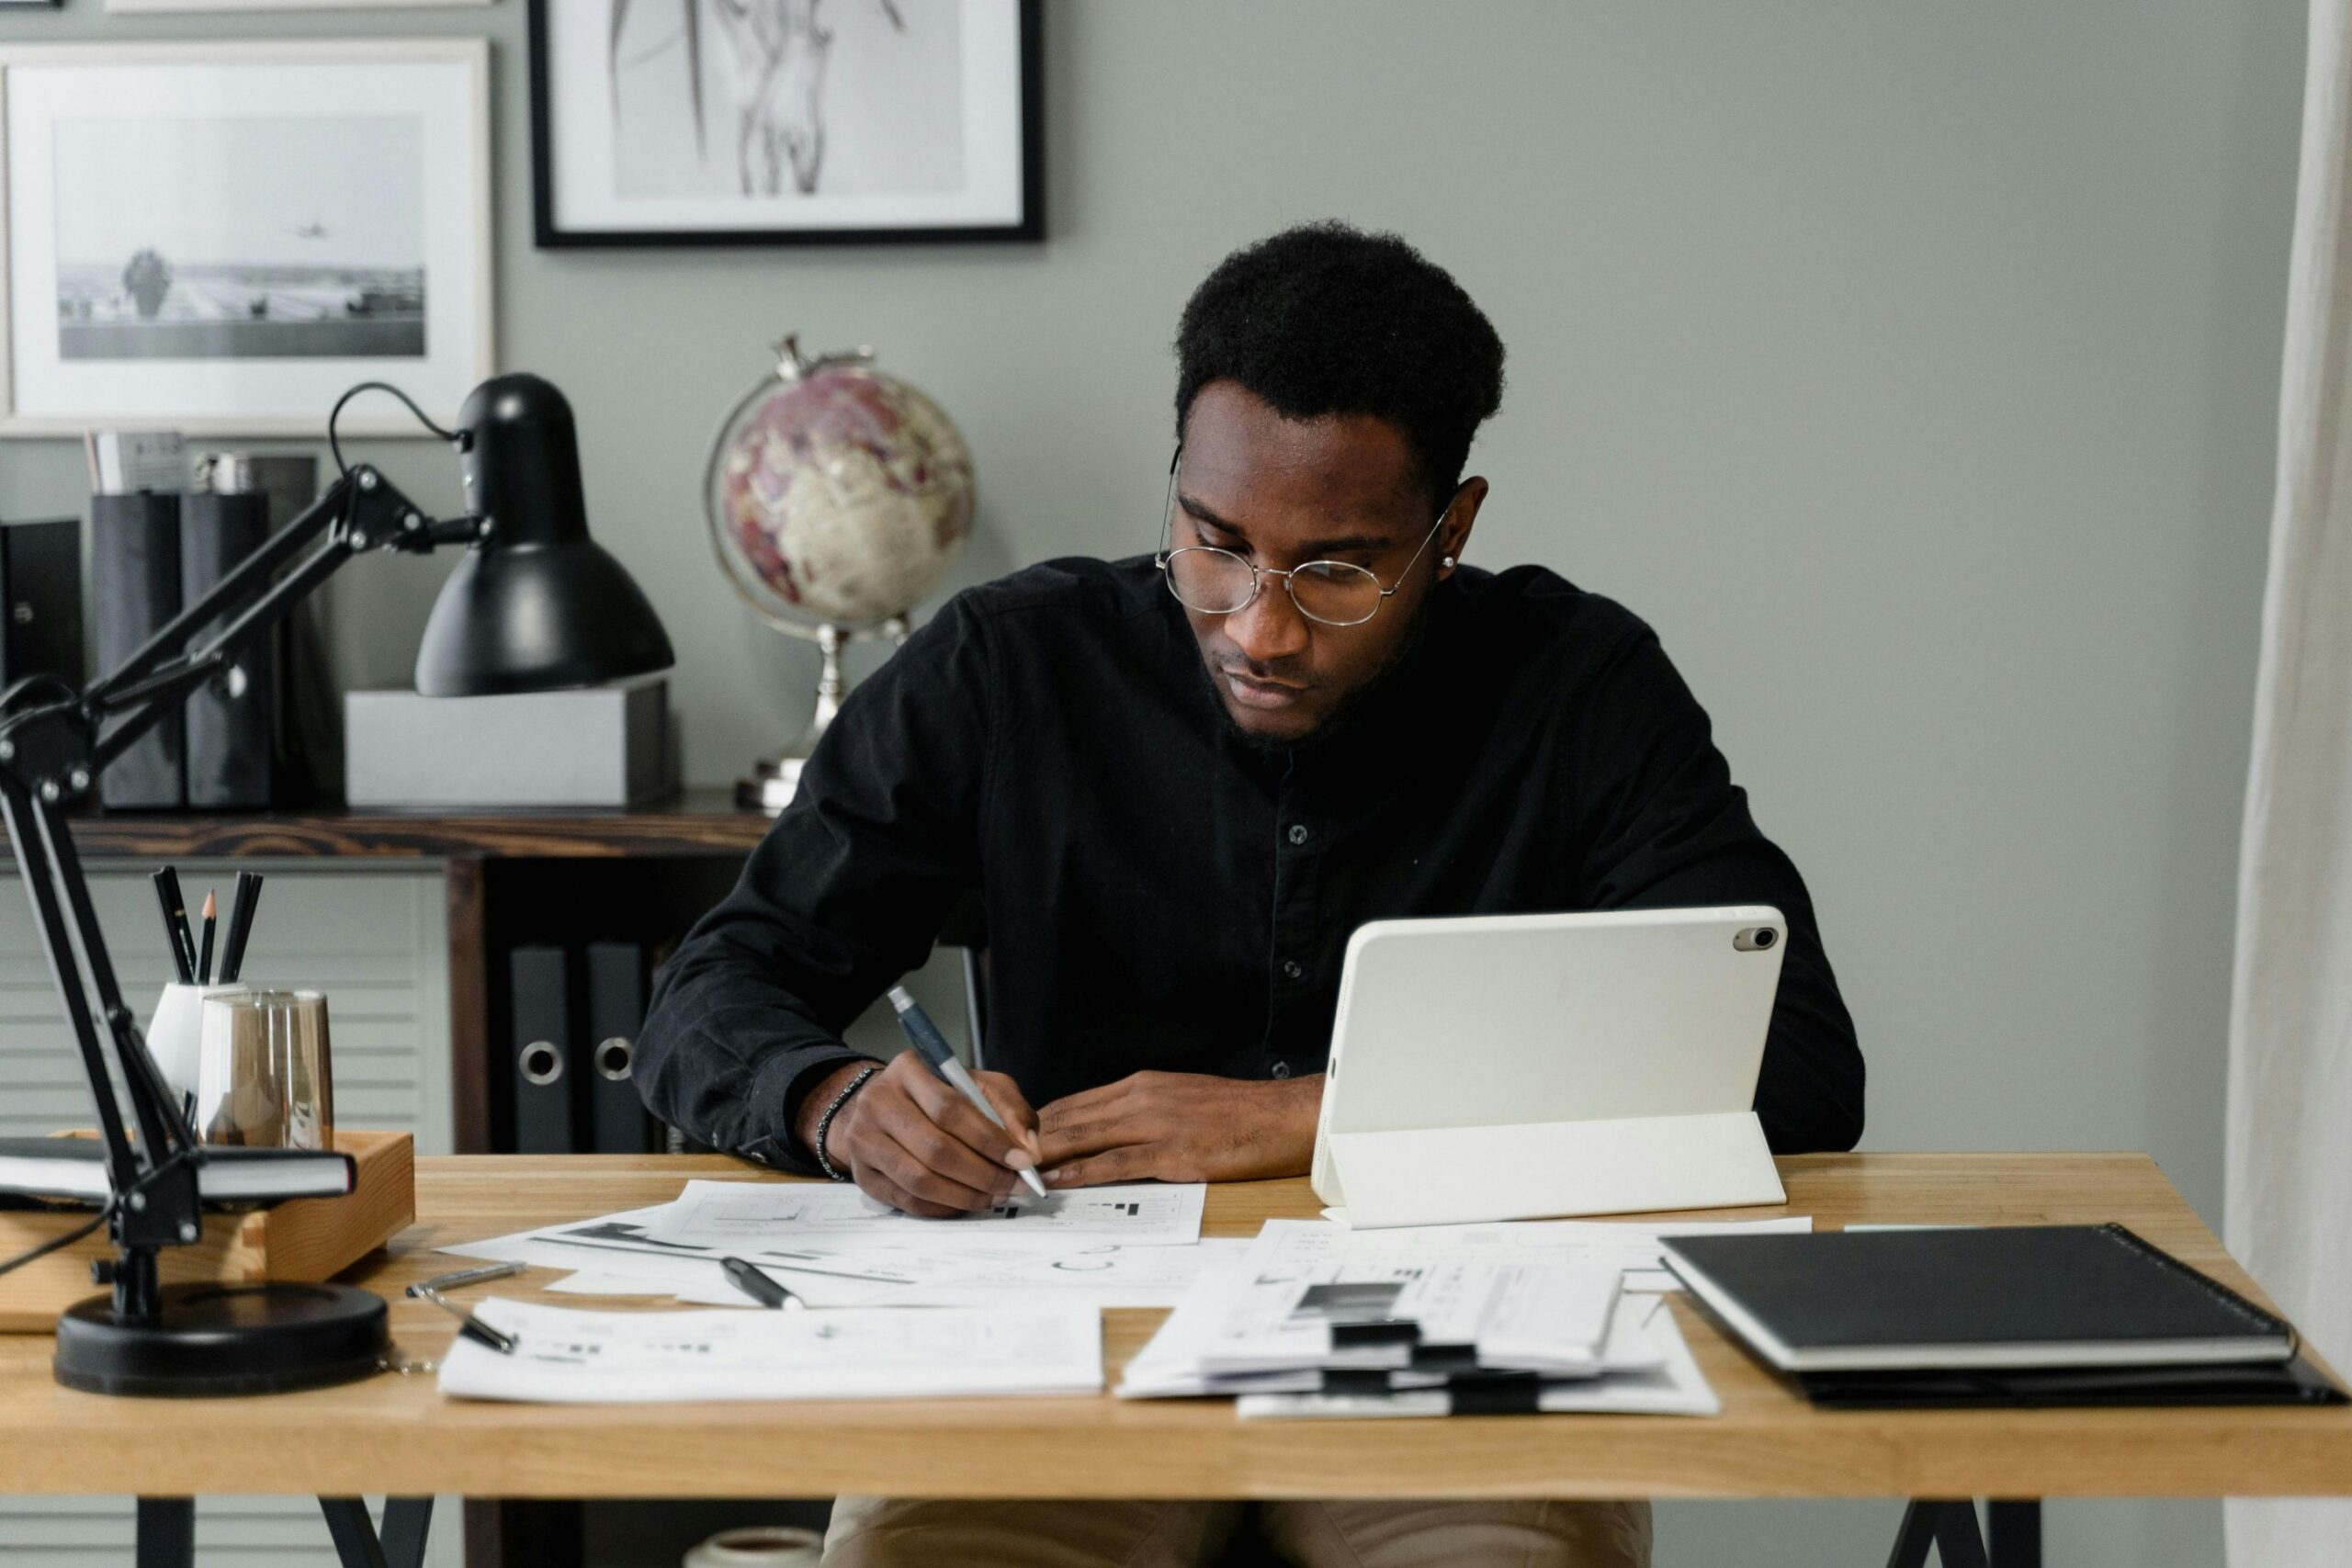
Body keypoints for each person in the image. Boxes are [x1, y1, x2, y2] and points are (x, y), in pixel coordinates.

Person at [636, 220, 1865, 1568]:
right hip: (1064, 1333)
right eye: (1215, 543)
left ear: (1450, 532)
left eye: (1336, 568)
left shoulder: (1578, 690)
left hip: (1448, 1334)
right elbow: (714, 993)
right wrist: (841, 1102)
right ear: (1174, 484)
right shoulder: (1009, 670)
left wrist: (1305, 1120)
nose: (1259, 626)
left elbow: (1798, 1066)